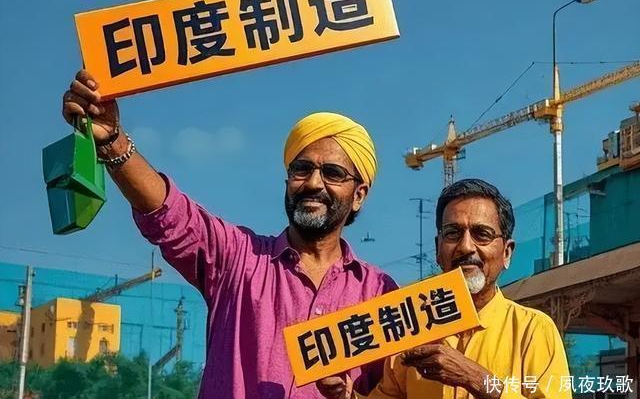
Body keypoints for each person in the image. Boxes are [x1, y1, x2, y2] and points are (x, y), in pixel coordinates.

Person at [61, 70, 398, 399]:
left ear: (358, 195)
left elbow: (399, 387)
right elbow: (170, 213)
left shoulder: (380, 294)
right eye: (301, 168)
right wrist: (111, 141)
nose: (312, 183)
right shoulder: (238, 259)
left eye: (333, 173)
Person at [317, 179, 570, 399]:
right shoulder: (411, 331)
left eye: (482, 234)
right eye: (453, 233)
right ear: (438, 250)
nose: (466, 247)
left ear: (506, 253)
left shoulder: (533, 330)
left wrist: (475, 378)